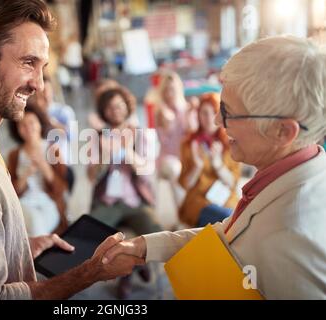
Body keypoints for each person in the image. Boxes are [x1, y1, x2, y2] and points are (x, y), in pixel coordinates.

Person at [0, 0, 142, 300]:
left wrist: (18, 249)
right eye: (28, 62)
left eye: (42, 67)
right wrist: (89, 273)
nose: (40, 85)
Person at [102, 35, 326, 299]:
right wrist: (143, 246)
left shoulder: (292, 236)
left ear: (283, 131)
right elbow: (228, 234)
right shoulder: (291, 174)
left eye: (228, 112)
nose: (219, 120)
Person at [87, 85, 162, 299]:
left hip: (136, 200)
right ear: (104, 111)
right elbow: (91, 177)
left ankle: (130, 273)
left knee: (155, 229)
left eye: (119, 106)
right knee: (88, 234)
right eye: (110, 107)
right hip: (108, 201)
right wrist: (103, 154)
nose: (115, 111)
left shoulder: (140, 135)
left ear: (128, 107)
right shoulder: (97, 137)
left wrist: (125, 151)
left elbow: (147, 173)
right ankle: (134, 268)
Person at [178, 93, 241, 227]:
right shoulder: (189, 144)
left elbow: (233, 183)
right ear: (198, 115)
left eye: (214, 112)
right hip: (199, 201)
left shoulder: (231, 143)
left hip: (226, 200)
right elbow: (185, 185)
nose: (209, 118)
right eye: (204, 113)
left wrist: (218, 165)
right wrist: (197, 166)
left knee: (236, 218)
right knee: (227, 220)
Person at [8, 106, 68, 236]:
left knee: (35, 226)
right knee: (32, 221)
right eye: (22, 125)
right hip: (25, 203)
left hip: (49, 203)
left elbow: (61, 189)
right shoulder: (14, 155)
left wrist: (44, 166)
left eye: (32, 123)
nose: (28, 128)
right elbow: (12, 193)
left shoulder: (52, 150)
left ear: (40, 124)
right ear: (17, 130)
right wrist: (27, 173)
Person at [154, 71, 191, 210]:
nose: (169, 93)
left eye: (172, 89)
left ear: (178, 90)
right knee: (175, 169)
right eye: (166, 90)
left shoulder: (185, 109)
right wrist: (168, 125)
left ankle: (195, 211)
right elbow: (164, 142)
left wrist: (190, 115)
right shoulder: (160, 112)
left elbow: (190, 134)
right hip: (167, 158)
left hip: (186, 156)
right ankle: (182, 212)